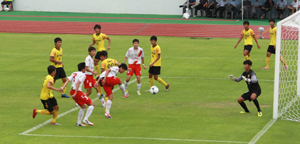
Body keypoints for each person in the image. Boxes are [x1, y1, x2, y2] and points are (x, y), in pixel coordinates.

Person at [61, 62, 95, 126]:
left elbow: (68, 80)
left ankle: (78, 123)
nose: (85, 70)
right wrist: (76, 92)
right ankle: (86, 119)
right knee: (92, 104)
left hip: (72, 91)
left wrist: (63, 87)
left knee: (83, 106)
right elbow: (78, 82)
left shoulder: (74, 73)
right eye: (85, 68)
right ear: (83, 69)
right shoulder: (83, 75)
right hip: (77, 92)